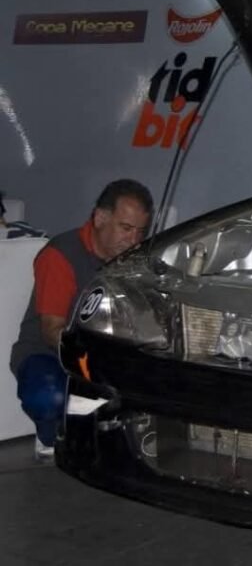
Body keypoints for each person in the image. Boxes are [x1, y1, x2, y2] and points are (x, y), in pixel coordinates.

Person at [9, 179, 153, 462]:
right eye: (126, 228)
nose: (134, 240)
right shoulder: (60, 255)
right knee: (49, 397)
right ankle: (51, 436)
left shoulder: (133, 260)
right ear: (100, 218)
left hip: (104, 353)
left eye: (140, 231)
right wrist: (95, 367)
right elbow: (52, 331)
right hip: (47, 354)